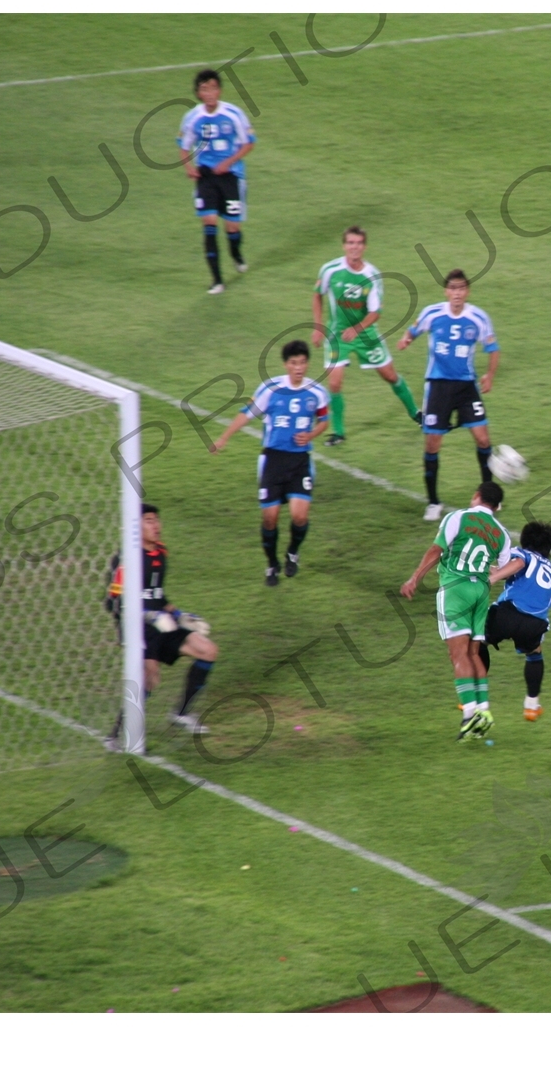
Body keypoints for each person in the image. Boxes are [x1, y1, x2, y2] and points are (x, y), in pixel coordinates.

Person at [399, 482, 512, 740]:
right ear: (497, 507)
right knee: (474, 652)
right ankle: (484, 711)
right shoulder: (502, 534)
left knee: (458, 654)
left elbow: (436, 550)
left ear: (476, 497)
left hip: (455, 590)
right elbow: (501, 570)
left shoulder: (458, 517)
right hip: (481, 592)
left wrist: (414, 578)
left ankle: (468, 716)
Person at [210, 340, 329, 586]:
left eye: (303, 362)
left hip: (299, 461)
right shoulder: (270, 389)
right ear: (286, 364)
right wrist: (224, 437)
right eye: (294, 363)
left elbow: (325, 421)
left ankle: (292, 553)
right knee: (270, 518)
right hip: (273, 460)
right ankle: (272, 564)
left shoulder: (317, 392)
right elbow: (246, 414)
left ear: (307, 364)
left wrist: (311, 435)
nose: (299, 368)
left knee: (299, 516)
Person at [104, 504, 219, 743]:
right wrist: (149, 616)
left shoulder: (160, 552)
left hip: (163, 622)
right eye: (148, 521)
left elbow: (157, 595)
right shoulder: (127, 559)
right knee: (150, 677)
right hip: (138, 627)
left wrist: (179, 614)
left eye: (156, 520)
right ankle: (116, 735)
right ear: (136, 527)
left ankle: (182, 713)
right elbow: (112, 602)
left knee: (207, 650)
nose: (156, 526)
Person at [397, 269, 499, 521]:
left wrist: (489, 375)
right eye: (452, 288)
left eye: (461, 288)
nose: (457, 293)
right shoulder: (432, 313)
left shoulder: (478, 318)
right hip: (439, 387)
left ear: (467, 291)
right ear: (446, 291)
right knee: (432, 444)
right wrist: (407, 338)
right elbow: (415, 329)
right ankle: (433, 502)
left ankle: (488, 500)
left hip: (466, 387)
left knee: (483, 439)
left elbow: (493, 348)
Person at [312, 226, 421, 445]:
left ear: (365, 246)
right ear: (344, 246)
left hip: (365, 333)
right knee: (334, 383)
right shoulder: (330, 270)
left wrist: (357, 329)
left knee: (389, 375)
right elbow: (317, 295)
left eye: (359, 243)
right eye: (351, 243)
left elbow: (375, 313)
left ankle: (416, 414)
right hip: (337, 333)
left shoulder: (371, 275)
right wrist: (318, 326)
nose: (355, 247)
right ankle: (339, 432)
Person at [481, 521, 551, 722]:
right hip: (534, 625)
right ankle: (531, 706)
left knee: (477, 642)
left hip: (507, 613)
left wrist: (494, 577)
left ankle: (474, 695)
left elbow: (518, 564)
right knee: (534, 654)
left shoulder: (522, 554)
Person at [179, 69, 256, 294]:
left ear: (219, 90)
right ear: (198, 93)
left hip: (231, 176)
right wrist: (189, 168)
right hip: (206, 177)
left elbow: (249, 143)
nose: (210, 93)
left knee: (232, 226)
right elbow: (183, 146)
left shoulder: (234, 114)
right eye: (204, 89)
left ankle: (236, 254)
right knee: (209, 224)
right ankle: (217, 280)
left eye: (213, 88)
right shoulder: (192, 118)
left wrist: (229, 162)